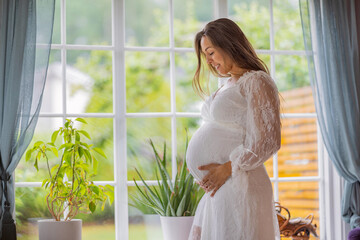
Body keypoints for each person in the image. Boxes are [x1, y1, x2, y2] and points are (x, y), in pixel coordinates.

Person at [185, 18, 281, 240]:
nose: (208, 61)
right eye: (205, 55)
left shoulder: (257, 81)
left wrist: (227, 168)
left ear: (227, 44)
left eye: (210, 52)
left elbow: (268, 140)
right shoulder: (229, 83)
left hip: (241, 185)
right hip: (223, 188)